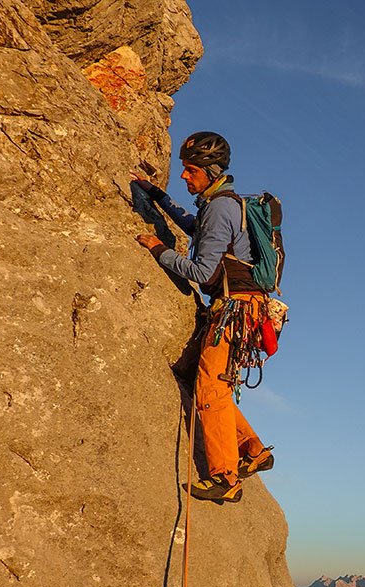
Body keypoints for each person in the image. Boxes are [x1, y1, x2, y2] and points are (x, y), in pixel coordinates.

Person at [133, 131, 274, 503]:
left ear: (211, 172)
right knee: (218, 387)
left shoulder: (220, 208)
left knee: (210, 389)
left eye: (191, 169)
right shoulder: (223, 205)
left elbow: (200, 270)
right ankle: (253, 450)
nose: (184, 175)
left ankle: (225, 478)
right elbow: (195, 227)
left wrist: (158, 249)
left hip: (234, 311)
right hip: (246, 309)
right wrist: (157, 195)